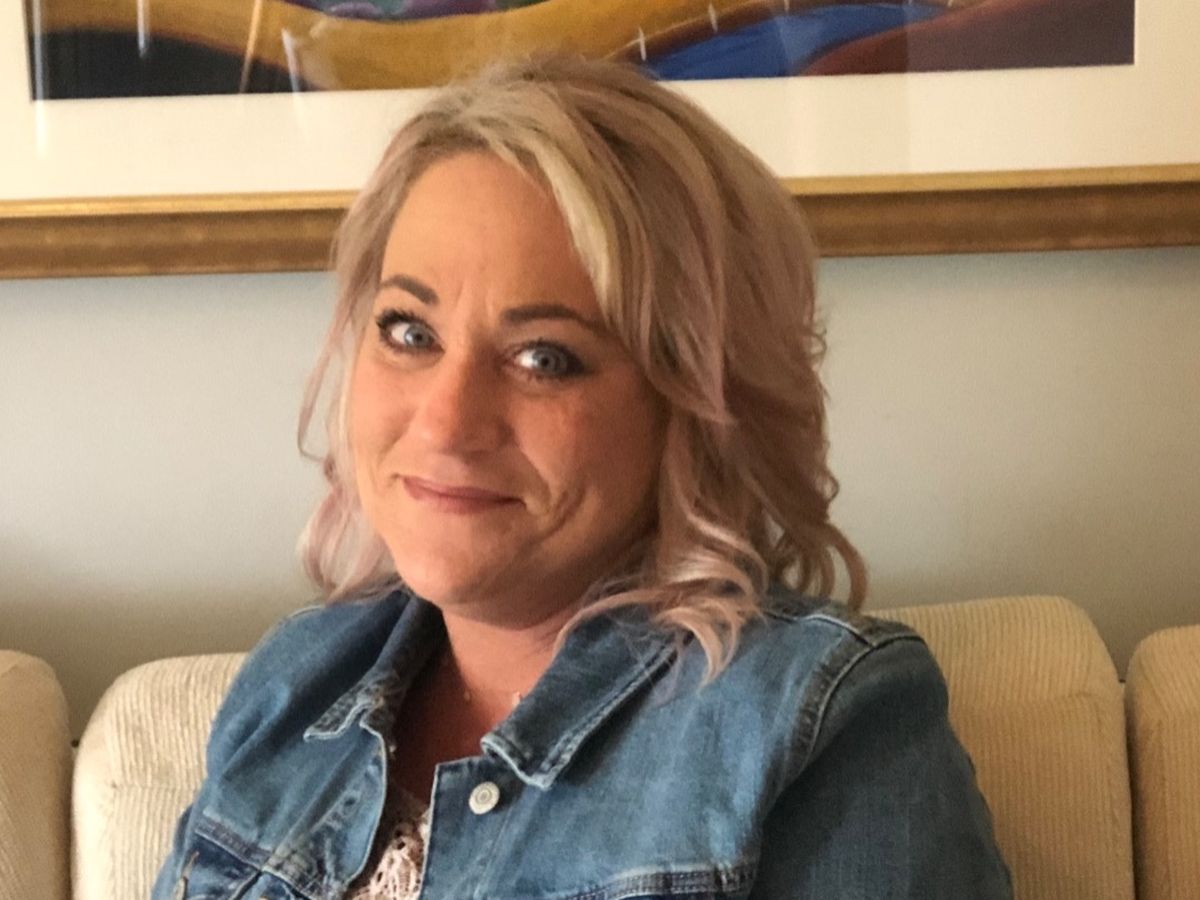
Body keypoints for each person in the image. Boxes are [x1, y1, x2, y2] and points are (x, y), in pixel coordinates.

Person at [153, 54, 1012, 899]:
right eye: (411, 332)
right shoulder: (297, 681)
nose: (446, 422)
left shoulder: (816, 723)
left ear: (694, 404)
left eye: (544, 358)